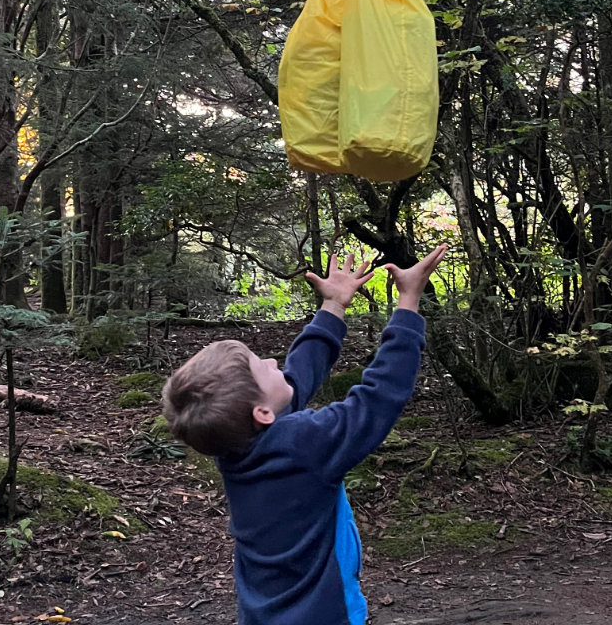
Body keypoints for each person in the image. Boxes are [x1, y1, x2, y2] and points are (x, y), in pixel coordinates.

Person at [161, 244, 449, 625]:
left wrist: (333, 307)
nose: (269, 360)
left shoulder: (234, 444)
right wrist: (408, 302)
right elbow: (377, 399)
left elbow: (296, 380)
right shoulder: (304, 444)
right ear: (260, 412)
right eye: (260, 366)